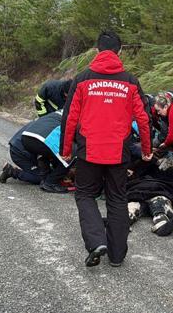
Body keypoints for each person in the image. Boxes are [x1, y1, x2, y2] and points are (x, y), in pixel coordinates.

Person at [61, 30, 152, 268]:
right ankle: (117, 255)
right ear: (120, 52)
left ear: (96, 50)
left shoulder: (82, 79)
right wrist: (146, 149)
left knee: (84, 194)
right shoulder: (130, 81)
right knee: (117, 198)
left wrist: (66, 149)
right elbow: (143, 118)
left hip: (89, 149)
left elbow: (70, 117)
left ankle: (95, 241)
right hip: (118, 151)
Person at [0, 110, 70, 193]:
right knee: (41, 178)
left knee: (51, 169)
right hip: (19, 152)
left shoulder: (56, 116)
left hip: (24, 143)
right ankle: (12, 171)